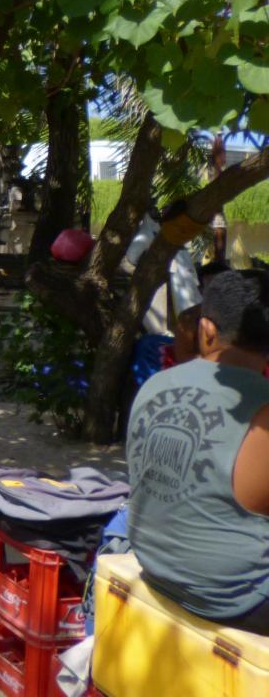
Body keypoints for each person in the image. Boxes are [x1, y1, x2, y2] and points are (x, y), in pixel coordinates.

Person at [127, 270, 269, 633]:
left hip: (155, 565)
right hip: (235, 597)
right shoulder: (262, 407)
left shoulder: (155, 385)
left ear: (206, 331)